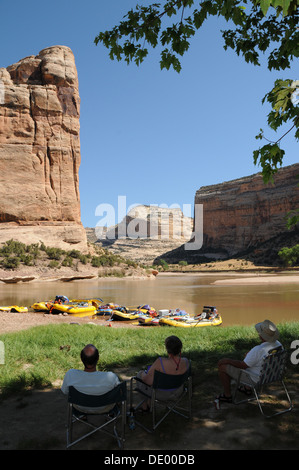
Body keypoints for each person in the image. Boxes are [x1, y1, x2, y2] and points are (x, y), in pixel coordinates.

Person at [217, 319, 282, 403]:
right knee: (252, 362)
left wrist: (227, 360)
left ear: (261, 336)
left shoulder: (258, 350)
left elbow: (242, 365)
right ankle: (247, 389)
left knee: (223, 367)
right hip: (273, 375)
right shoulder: (279, 344)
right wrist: (250, 355)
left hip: (256, 379)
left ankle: (227, 396)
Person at [61, 344, 120, 413]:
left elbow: (65, 391)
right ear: (98, 358)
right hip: (105, 408)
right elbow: (119, 395)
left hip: (80, 408)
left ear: (81, 358)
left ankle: (81, 416)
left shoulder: (70, 374)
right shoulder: (111, 377)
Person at [136, 335, 190, 410]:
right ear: (180, 348)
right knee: (154, 380)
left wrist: (142, 373)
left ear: (167, 349)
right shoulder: (186, 361)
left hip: (162, 394)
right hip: (178, 391)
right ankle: (149, 403)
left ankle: (145, 407)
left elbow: (147, 381)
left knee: (140, 375)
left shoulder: (161, 362)